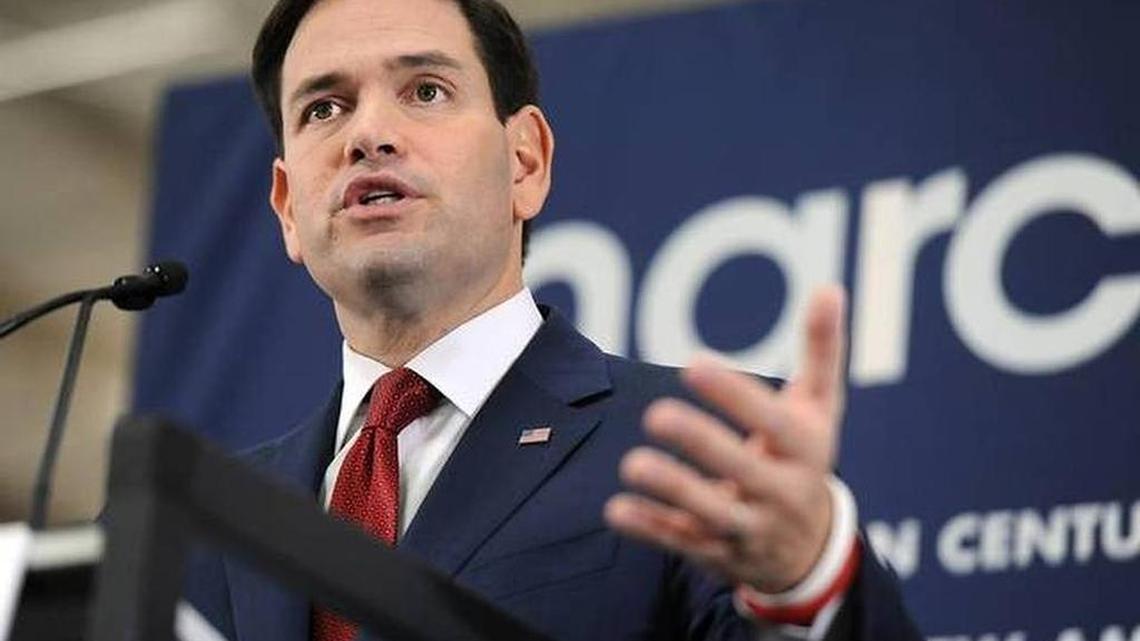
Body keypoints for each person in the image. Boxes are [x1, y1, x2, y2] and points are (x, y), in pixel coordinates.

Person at [183, 0, 923, 639]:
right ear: (287, 207)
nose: (367, 134)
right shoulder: (198, 522)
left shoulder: (704, 449)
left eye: (426, 90)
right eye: (324, 108)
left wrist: (808, 586)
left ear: (525, 162)